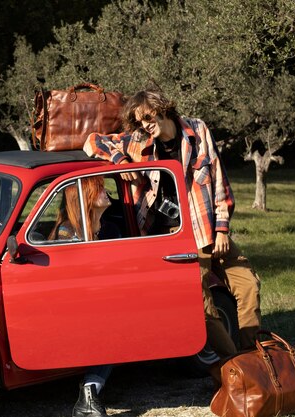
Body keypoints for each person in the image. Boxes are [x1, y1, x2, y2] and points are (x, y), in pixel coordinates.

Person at [83, 89, 261, 384]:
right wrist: (121, 160)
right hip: (173, 236)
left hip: (206, 228)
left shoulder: (198, 131)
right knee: (202, 306)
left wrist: (221, 230)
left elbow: (219, 181)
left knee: (248, 284)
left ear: (162, 109)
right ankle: (236, 364)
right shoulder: (140, 142)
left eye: (148, 118)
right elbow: (92, 141)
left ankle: (251, 353)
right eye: (140, 123)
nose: (145, 126)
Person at [50, 176, 116, 417]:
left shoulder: (110, 229)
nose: (105, 192)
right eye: (99, 188)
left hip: (102, 301)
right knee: (110, 330)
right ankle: (88, 392)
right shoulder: (67, 232)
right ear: (86, 197)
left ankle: (89, 393)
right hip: (72, 307)